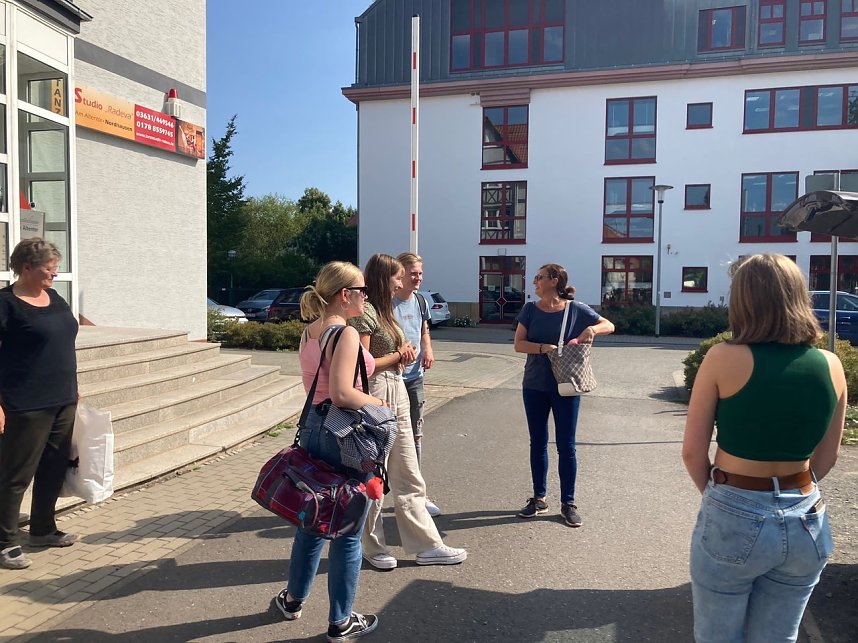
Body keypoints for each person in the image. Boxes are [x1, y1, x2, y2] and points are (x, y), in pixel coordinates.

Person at [683, 253, 846, 643]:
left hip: (735, 505)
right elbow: (828, 457)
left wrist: (722, 495)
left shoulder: (722, 358)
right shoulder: (831, 364)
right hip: (806, 513)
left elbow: (692, 452)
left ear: (742, 301)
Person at [275, 261, 381, 642]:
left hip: (314, 430)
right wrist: (377, 403)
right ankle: (340, 621)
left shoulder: (310, 331)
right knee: (348, 531)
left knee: (313, 521)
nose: (366, 296)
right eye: (362, 290)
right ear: (344, 294)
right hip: (344, 433)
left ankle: (292, 600)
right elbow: (342, 393)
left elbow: (317, 389)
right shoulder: (345, 334)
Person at [349, 253, 466, 570]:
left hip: (397, 384)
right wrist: (398, 354)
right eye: (397, 277)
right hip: (377, 392)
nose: (402, 283)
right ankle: (371, 547)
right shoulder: (366, 312)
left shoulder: (385, 311)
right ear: (383, 278)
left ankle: (427, 545)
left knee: (408, 471)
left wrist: (406, 354)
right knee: (375, 475)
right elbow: (360, 365)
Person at [513, 263, 614, 527]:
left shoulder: (575, 309)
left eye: (539, 277)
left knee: (566, 446)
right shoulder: (529, 309)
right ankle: (539, 498)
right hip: (534, 384)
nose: (534, 281)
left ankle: (568, 503)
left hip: (566, 385)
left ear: (554, 280)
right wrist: (542, 347)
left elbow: (609, 325)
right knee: (538, 442)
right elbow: (518, 344)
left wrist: (592, 329)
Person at [0, 238, 79, 571]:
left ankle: (43, 529)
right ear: (27, 267)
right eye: (49, 268)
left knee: (53, 466)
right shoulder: (6, 304)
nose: (55, 273)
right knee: (17, 473)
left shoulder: (55, 297)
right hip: (26, 401)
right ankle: (5, 542)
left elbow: (63, 342)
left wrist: (76, 388)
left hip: (63, 397)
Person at [393, 252, 441, 516]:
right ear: (401, 274)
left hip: (414, 379)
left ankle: (418, 494)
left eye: (420, 273)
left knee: (416, 435)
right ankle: (380, 493)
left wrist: (428, 349)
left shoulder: (421, 301)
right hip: (391, 380)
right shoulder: (387, 303)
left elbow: (424, 330)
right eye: (413, 273)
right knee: (387, 438)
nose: (418, 277)